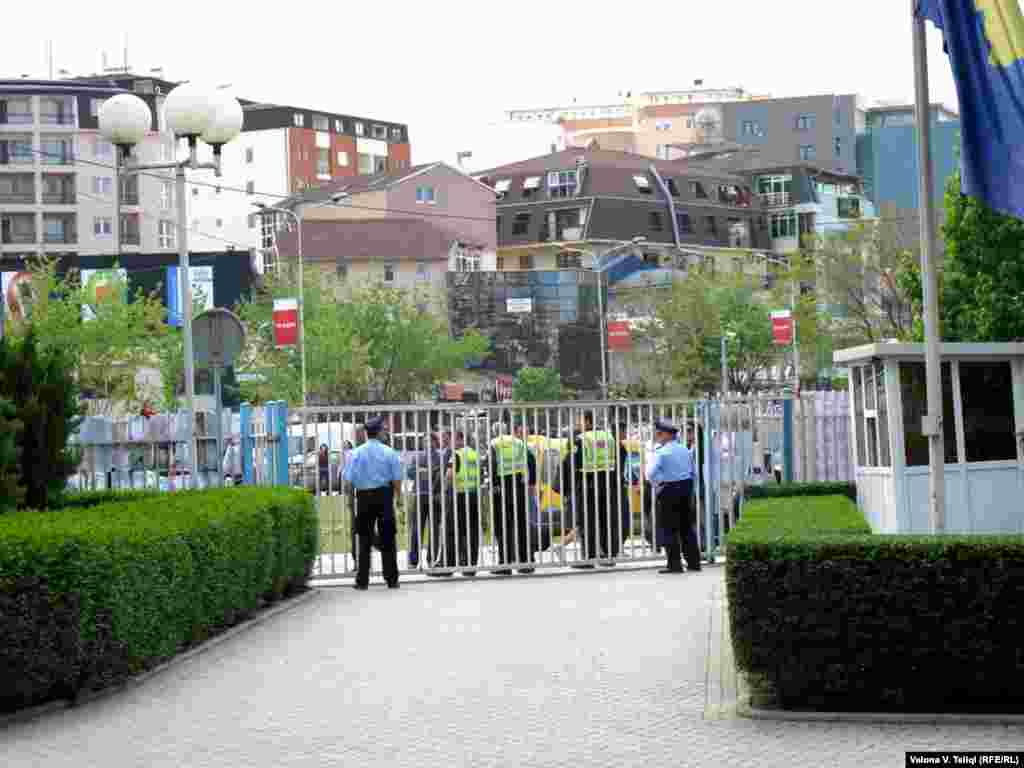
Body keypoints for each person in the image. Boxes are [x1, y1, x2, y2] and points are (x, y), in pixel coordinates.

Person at [342, 416, 403, 590]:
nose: (385, 433)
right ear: (379, 432)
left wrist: (350, 499)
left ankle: (362, 580)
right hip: (384, 496)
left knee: (364, 539)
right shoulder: (389, 452)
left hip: (364, 497)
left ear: (367, 434)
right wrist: (398, 497)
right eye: (384, 430)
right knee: (388, 537)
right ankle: (391, 579)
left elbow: (348, 480)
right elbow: (396, 479)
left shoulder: (356, 453)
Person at [568, 411, 628, 568]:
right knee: (607, 521)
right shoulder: (609, 437)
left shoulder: (582, 439)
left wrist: (569, 485)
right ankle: (608, 556)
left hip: (588, 486)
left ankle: (589, 557)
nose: (577, 425)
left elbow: (572, 463)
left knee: (587, 522)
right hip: (609, 486)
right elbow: (622, 454)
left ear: (588, 422)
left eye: (579, 421)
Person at [647, 419, 700, 574]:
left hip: (668, 490)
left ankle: (675, 565)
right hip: (686, 489)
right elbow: (694, 472)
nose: (657, 437)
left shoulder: (661, 452)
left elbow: (649, 473)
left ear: (666, 435)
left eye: (659, 434)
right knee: (686, 527)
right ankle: (694, 562)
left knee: (669, 528)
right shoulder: (685, 450)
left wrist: (659, 483)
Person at [489, 422, 537, 575]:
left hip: (501, 488)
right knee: (522, 525)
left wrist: (493, 484)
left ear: (494, 432)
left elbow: (491, 465)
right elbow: (531, 461)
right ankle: (526, 562)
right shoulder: (519, 443)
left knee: (503, 526)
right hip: (519, 486)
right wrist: (531, 483)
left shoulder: (494, 443)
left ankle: (505, 563)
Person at [445, 430, 481, 576]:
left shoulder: (457, 454)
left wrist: (446, 489)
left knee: (452, 530)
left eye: (452, 439)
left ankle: (449, 565)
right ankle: (470, 566)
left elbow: (449, 475)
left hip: (459, 495)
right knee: (472, 531)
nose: (450, 442)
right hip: (473, 495)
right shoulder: (474, 454)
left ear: (460, 439)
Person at [406, 432, 443, 569]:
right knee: (416, 528)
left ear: (435, 442)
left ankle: (431, 559)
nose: (427, 444)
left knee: (434, 529)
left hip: (435, 496)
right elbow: (410, 473)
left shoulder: (440, 457)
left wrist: (424, 471)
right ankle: (413, 560)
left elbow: (441, 474)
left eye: (430, 441)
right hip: (420, 494)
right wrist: (422, 471)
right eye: (425, 441)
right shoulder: (418, 456)